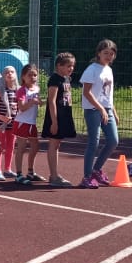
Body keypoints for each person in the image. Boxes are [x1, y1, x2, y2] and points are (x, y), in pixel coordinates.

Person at [80, 39, 119, 189]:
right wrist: (100, 108)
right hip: (93, 109)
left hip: (106, 109)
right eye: (106, 53)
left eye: (111, 54)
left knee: (113, 141)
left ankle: (96, 170)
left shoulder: (109, 70)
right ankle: (87, 177)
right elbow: (87, 92)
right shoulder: (92, 69)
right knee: (93, 142)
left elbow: (107, 94)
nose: (108, 56)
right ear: (98, 53)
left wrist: (113, 111)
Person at [41, 52, 77, 188]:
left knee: (57, 144)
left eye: (72, 66)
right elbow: (51, 101)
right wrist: (54, 122)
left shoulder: (66, 79)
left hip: (64, 115)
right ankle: (54, 176)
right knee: (53, 144)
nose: (71, 68)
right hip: (56, 116)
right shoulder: (55, 79)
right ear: (59, 66)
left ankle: (54, 175)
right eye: (68, 66)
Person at [12, 64, 44, 184]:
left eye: (35, 75)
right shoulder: (21, 90)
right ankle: (19, 174)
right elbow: (22, 107)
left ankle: (30, 172)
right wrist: (32, 102)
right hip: (22, 122)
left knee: (35, 146)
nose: (33, 77)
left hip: (32, 123)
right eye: (30, 75)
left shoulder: (37, 88)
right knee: (21, 148)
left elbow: (38, 102)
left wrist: (41, 102)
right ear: (23, 77)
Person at [0, 65, 19, 181]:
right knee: (0, 146)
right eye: (7, 72)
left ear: (15, 75)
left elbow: (19, 106)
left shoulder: (18, 90)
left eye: (12, 72)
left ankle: (7, 169)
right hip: (1, 124)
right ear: (3, 75)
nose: (10, 74)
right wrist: (1, 117)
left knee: (10, 147)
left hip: (13, 124)